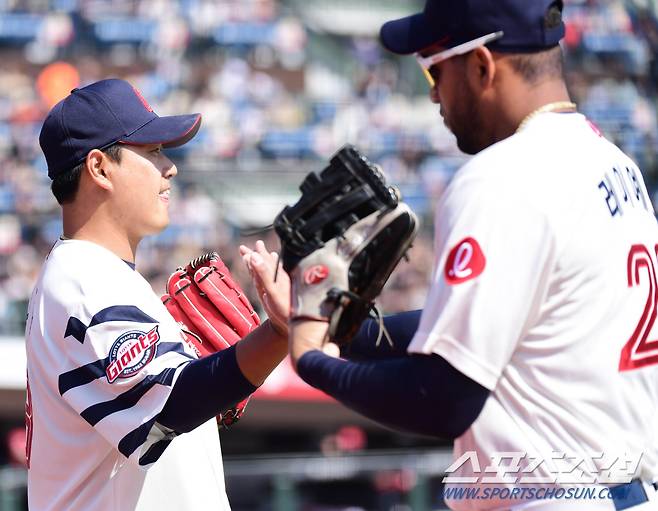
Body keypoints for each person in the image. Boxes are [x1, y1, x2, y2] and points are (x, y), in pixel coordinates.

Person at [275, 1, 658, 510]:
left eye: (434, 67)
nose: (432, 92)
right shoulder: (611, 160)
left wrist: (313, 359)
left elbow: (445, 398)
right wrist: (344, 329)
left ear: (482, 64)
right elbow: (512, 328)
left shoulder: (502, 177)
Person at [25, 78, 289, 511]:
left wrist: (222, 371)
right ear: (99, 168)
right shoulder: (83, 278)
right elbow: (171, 407)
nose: (170, 167)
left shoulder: (92, 275)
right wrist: (276, 333)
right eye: (152, 151)